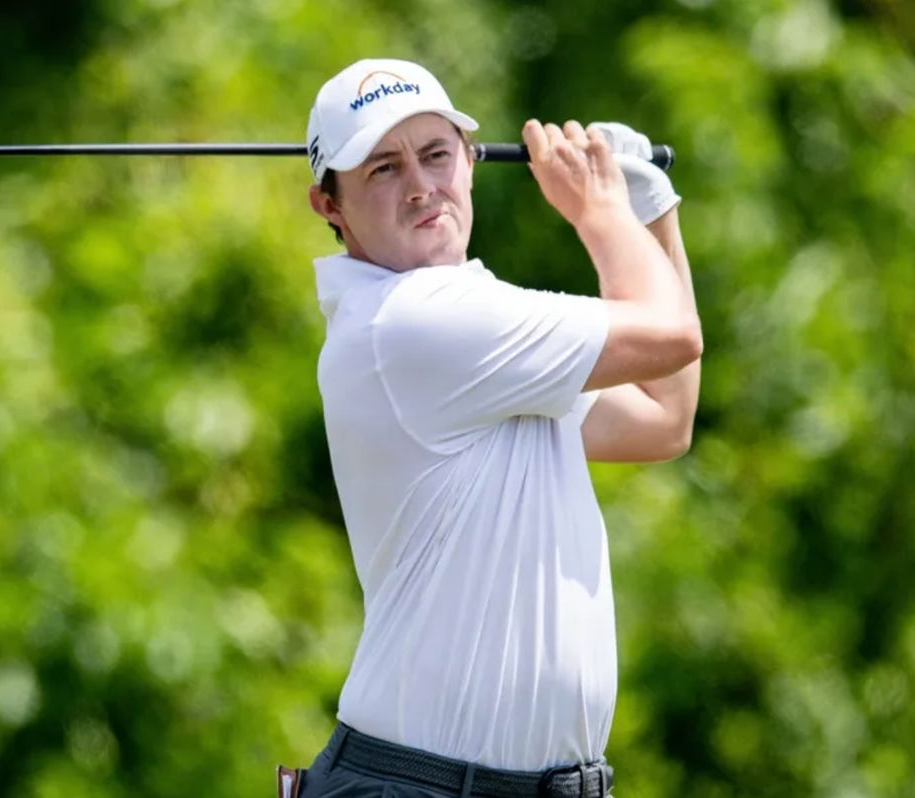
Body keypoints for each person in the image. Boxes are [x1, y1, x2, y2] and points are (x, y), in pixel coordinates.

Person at [284, 58, 703, 798]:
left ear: (471, 164)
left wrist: (650, 209)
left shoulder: (475, 335)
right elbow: (671, 333)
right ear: (330, 205)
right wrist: (603, 209)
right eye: (383, 168)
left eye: (437, 154)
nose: (421, 185)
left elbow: (663, 420)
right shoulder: (413, 321)